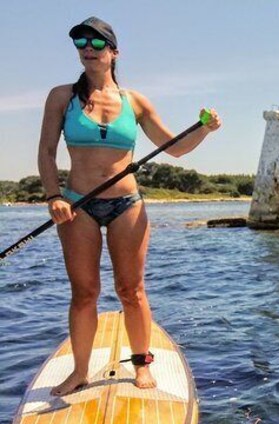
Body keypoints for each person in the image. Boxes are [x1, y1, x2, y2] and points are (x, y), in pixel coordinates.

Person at [41, 17, 221, 395]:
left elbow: (174, 148)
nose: (88, 48)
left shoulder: (133, 102)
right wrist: (53, 196)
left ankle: (141, 364)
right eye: (81, 43)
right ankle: (78, 371)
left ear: (114, 52)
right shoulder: (62, 97)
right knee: (84, 292)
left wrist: (203, 129)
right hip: (78, 206)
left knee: (132, 290)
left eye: (97, 42)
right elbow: (45, 152)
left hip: (128, 204)